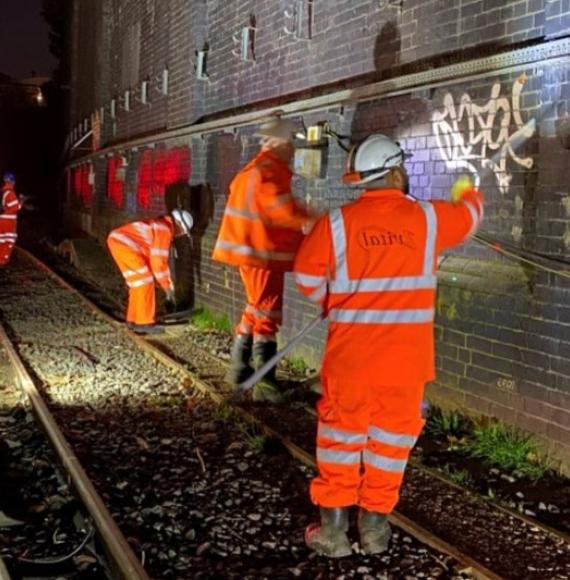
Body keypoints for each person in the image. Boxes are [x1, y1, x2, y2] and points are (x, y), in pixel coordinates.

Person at [293, 134, 484, 558]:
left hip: (351, 359)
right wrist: (467, 189)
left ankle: (334, 532)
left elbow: (306, 276)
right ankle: (375, 531)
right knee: (391, 443)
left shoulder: (337, 223)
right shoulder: (430, 220)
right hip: (406, 364)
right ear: (397, 172)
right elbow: (471, 218)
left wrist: (333, 303)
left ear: (362, 180)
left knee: (341, 440)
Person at [212, 115, 316, 398]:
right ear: (279, 141)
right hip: (262, 252)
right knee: (267, 312)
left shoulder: (252, 168)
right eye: (291, 142)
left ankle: (239, 368)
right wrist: (316, 217)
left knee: (255, 307)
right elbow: (283, 211)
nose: (294, 149)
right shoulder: (270, 170)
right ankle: (264, 382)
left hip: (250, 252)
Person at [107, 209, 193, 334]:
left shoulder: (159, 226)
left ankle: (133, 319)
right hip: (125, 244)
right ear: (179, 224)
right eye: (182, 232)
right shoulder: (165, 230)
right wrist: (167, 287)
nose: (179, 235)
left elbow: (152, 258)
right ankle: (144, 322)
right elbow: (158, 261)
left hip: (119, 242)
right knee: (145, 281)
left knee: (137, 283)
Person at [0, 173, 22, 266]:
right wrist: (21, 201)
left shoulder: (3, 192)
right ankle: (3, 260)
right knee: (9, 240)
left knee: (2, 240)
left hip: (2, 219)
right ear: (13, 181)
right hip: (9, 222)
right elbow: (15, 207)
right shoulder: (10, 193)